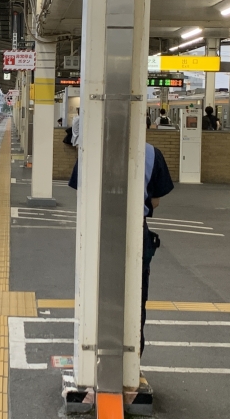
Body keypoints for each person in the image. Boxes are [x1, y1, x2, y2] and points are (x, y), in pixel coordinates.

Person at [68, 143, 174, 356]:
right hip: (136, 229)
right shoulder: (153, 154)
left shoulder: (91, 147)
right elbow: (155, 201)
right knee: (135, 295)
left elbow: (82, 191)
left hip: (97, 229)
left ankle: (91, 355)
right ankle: (132, 359)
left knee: (94, 288)